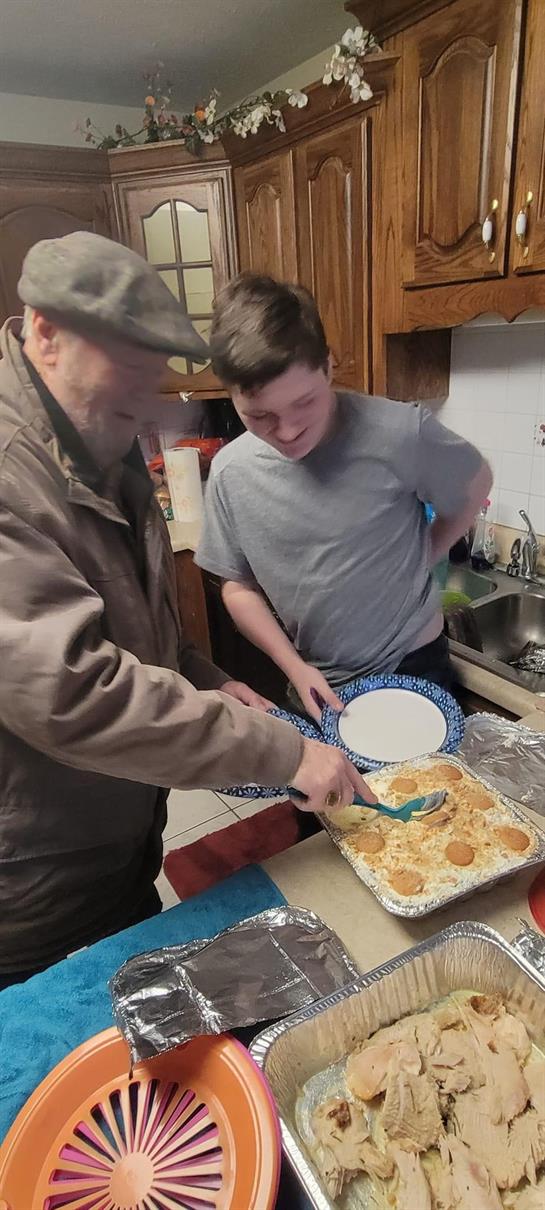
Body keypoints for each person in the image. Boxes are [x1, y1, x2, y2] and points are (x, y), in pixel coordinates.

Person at [0, 234, 373, 986]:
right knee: (48, 1075)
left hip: (115, 848)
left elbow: (132, 624)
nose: (149, 401)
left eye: (157, 376)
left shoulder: (93, 431)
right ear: (44, 330)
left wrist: (198, 674)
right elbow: (74, 692)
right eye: (132, 373)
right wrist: (287, 754)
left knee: (152, 1067)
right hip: (27, 880)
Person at [196, 273, 493, 721]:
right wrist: (294, 668)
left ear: (330, 366)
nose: (289, 430)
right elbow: (238, 586)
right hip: (313, 678)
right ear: (229, 394)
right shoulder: (230, 471)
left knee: (423, 791)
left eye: (304, 403)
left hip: (411, 665)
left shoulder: (399, 433)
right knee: (335, 794)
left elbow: (476, 483)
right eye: (260, 416)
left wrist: (424, 552)